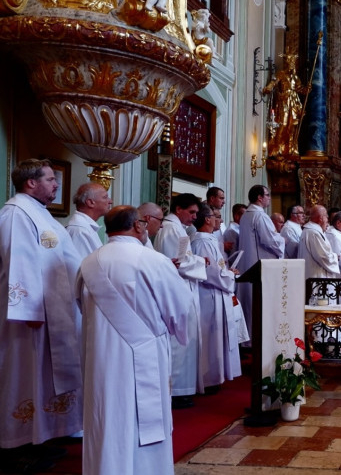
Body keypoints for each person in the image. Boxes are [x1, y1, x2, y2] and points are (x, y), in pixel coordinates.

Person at [76, 206, 190, 475]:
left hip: (101, 355)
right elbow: (180, 309)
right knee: (140, 421)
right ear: (138, 226)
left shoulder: (89, 262)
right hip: (145, 353)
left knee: (106, 417)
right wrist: (175, 330)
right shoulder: (154, 260)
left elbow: (81, 306)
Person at [0, 159, 83, 470]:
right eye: (50, 179)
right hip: (28, 317)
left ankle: (40, 437)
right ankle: (14, 446)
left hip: (52, 312)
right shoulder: (16, 213)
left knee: (42, 379)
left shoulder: (39, 213)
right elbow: (18, 261)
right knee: (23, 377)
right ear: (31, 183)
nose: (56, 184)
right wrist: (28, 309)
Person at [153, 193, 207, 408]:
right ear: (178, 209)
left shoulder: (178, 229)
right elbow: (175, 263)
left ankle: (183, 388)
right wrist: (201, 261)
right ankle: (176, 390)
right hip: (177, 290)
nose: (195, 217)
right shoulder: (170, 229)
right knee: (179, 342)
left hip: (185, 288)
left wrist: (196, 261)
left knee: (186, 341)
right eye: (191, 212)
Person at [191, 204, 241, 391]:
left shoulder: (208, 239)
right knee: (210, 338)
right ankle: (209, 378)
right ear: (207, 219)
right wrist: (229, 275)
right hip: (209, 294)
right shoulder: (202, 242)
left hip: (216, 291)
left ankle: (216, 375)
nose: (218, 220)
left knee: (216, 337)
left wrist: (226, 272)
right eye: (214, 216)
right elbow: (211, 272)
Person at [235, 185, 283, 340]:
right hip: (258, 265)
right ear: (259, 197)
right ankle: (258, 339)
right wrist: (282, 240)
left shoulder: (246, 215)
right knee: (258, 303)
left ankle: (249, 338)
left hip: (247, 264)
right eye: (267, 195)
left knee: (249, 302)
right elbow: (270, 240)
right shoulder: (260, 216)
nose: (269, 198)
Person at [262, 54, 307, 160]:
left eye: (293, 63)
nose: (292, 65)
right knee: (283, 124)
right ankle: (277, 148)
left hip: (293, 103)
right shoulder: (281, 74)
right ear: (287, 63)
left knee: (292, 126)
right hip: (284, 102)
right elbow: (274, 82)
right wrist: (268, 88)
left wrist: (307, 89)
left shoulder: (295, 77)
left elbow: (299, 89)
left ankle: (290, 149)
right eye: (290, 63)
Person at [66, 182, 111, 257]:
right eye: (105, 197)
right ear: (90, 202)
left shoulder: (85, 228)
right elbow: (81, 264)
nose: (110, 201)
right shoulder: (79, 231)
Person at [298, 205, 340, 279]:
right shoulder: (313, 233)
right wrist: (335, 257)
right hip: (316, 277)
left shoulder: (310, 231)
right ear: (321, 218)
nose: (327, 220)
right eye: (326, 217)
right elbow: (323, 257)